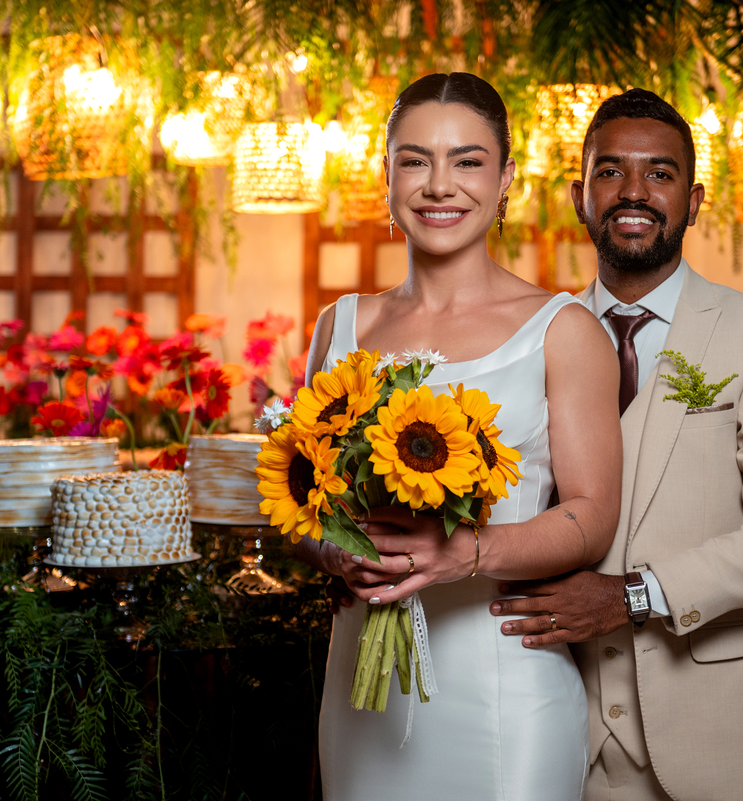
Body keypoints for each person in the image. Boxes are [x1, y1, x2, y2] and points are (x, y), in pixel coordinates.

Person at [489, 88, 743, 800]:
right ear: (579, 195)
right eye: (610, 172)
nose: (634, 192)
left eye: (661, 173)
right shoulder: (530, 340)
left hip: (717, 734)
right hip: (557, 733)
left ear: (695, 198)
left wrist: (634, 595)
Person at [294, 72, 623, 799]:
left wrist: (466, 552)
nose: (439, 185)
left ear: (506, 179)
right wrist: (338, 554)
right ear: (385, 178)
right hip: (362, 695)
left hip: (505, 681)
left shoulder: (563, 330)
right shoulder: (339, 326)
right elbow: (302, 505)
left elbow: (593, 515)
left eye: (467, 161)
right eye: (415, 160)